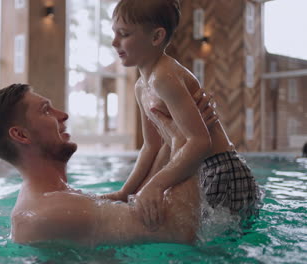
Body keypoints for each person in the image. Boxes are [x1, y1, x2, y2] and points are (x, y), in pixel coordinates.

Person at [0, 83, 217, 246]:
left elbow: (133, 201)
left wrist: (173, 139)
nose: (63, 115)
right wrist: (188, 139)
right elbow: (179, 230)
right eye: (46, 110)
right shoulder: (48, 212)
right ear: (21, 135)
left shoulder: (54, 196)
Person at [103, 0, 260, 220]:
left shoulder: (164, 77)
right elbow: (150, 146)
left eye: (124, 34)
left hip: (222, 169)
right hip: (196, 168)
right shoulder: (141, 87)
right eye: (114, 33)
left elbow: (200, 141)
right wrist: (125, 193)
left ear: (156, 37)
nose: (114, 42)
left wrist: (156, 185)